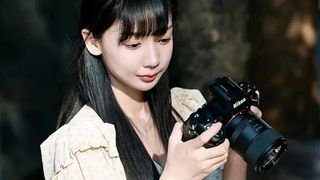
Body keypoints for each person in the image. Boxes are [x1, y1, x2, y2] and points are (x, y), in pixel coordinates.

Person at [40, 0, 262, 179]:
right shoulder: (81, 145)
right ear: (93, 42)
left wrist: (239, 143)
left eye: (164, 39)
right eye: (134, 45)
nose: (153, 60)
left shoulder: (184, 108)